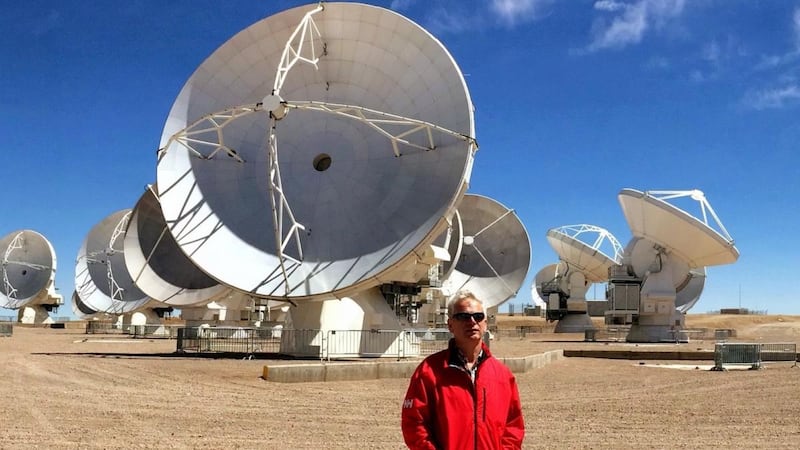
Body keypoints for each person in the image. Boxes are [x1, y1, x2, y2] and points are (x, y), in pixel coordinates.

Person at [401, 291, 525, 449]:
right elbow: (414, 423)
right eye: (463, 317)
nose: (472, 322)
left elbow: (513, 426)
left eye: (478, 316)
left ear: (485, 324)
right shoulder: (429, 372)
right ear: (450, 325)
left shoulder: (502, 375)